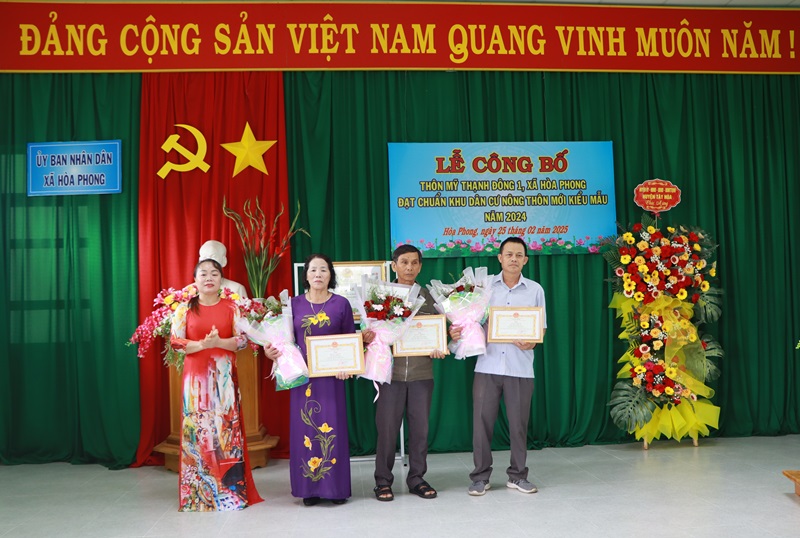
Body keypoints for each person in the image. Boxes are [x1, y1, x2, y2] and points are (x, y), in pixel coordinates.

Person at [450, 237, 547, 496]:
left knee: (518, 425)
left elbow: (541, 327)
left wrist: (533, 341)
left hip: (520, 368)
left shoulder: (535, 290)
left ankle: (518, 476)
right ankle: (480, 477)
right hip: (487, 365)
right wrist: (459, 331)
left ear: (526, 260)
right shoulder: (483, 288)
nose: (514, 259)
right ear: (500, 258)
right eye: (509, 254)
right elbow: (468, 320)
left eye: (519, 255)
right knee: (481, 424)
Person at [170, 258, 263, 511]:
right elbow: (176, 343)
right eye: (203, 274)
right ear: (195, 280)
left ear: (221, 279)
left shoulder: (232, 308)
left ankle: (229, 493)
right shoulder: (184, 309)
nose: (209, 277)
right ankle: (197, 496)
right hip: (195, 382)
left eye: (214, 273)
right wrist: (202, 344)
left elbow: (242, 341)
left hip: (224, 379)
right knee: (197, 432)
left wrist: (218, 342)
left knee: (225, 431)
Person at [264, 254, 354, 506]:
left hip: (332, 379)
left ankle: (336, 489)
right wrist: (270, 352)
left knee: (333, 428)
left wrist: (347, 367)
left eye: (323, 270)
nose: (318, 274)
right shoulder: (292, 305)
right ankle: (309, 489)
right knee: (305, 429)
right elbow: (282, 340)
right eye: (313, 270)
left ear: (330, 274)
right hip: (302, 378)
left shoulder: (341, 304)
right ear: (305, 275)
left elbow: (350, 340)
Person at [371, 245, 445, 502]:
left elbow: (441, 331)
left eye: (414, 263)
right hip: (389, 374)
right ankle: (383, 481)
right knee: (387, 430)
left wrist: (441, 345)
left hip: (421, 374)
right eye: (404, 262)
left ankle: (417, 478)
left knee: (420, 430)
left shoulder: (430, 297)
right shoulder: (381, 296)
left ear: (420, 266)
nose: (409, 267)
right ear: (394, 265)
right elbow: (372, 331)